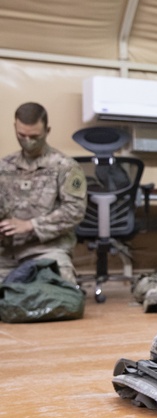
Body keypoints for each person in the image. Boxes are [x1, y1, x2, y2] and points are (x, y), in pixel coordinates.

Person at [0, 102, 87, 284]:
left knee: (58, 292)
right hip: (7, 253)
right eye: (21, 135)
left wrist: (31, 225)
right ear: (15, 128)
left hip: (47, 250)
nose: (28, 141)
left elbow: (75, 211)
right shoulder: (4, 166)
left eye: (34, 136)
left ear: (47, 131)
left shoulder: (67, 167)